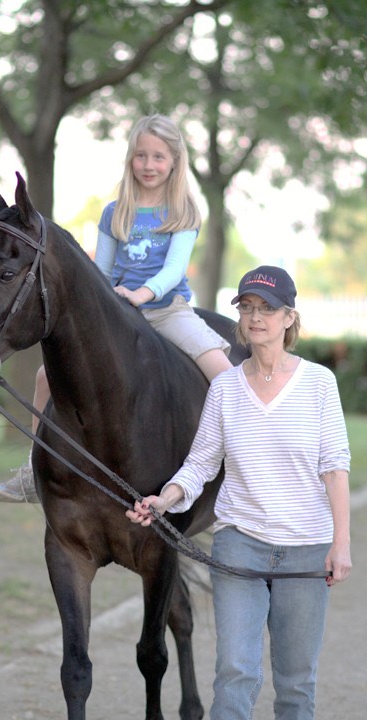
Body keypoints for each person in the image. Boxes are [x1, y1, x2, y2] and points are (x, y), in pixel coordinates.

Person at [126, 264, 351, 720]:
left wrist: (340, 544)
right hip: (239, 546)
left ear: (289, 317)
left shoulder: (319, 384)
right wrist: (165, 499)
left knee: (295, 682)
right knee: (234, 673)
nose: (254, 318)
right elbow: (201, 463)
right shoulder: (226, 386)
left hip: (306, 548)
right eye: (246, 308)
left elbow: (334, 467)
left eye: (266, 309)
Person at [0, 114, 232, 503]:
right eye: (141, 156)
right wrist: (108, 299)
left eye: (158, 157)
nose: (149, 165)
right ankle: (35, 467)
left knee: (224, 373)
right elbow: (98, 271)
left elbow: (173, 271)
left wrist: (142, 294)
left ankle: (235, 463)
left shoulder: (183, 211)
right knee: (43, 378)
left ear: (173, 162)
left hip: (168, 310)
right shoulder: (115, 212)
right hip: (117, 311)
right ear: (130, 160)